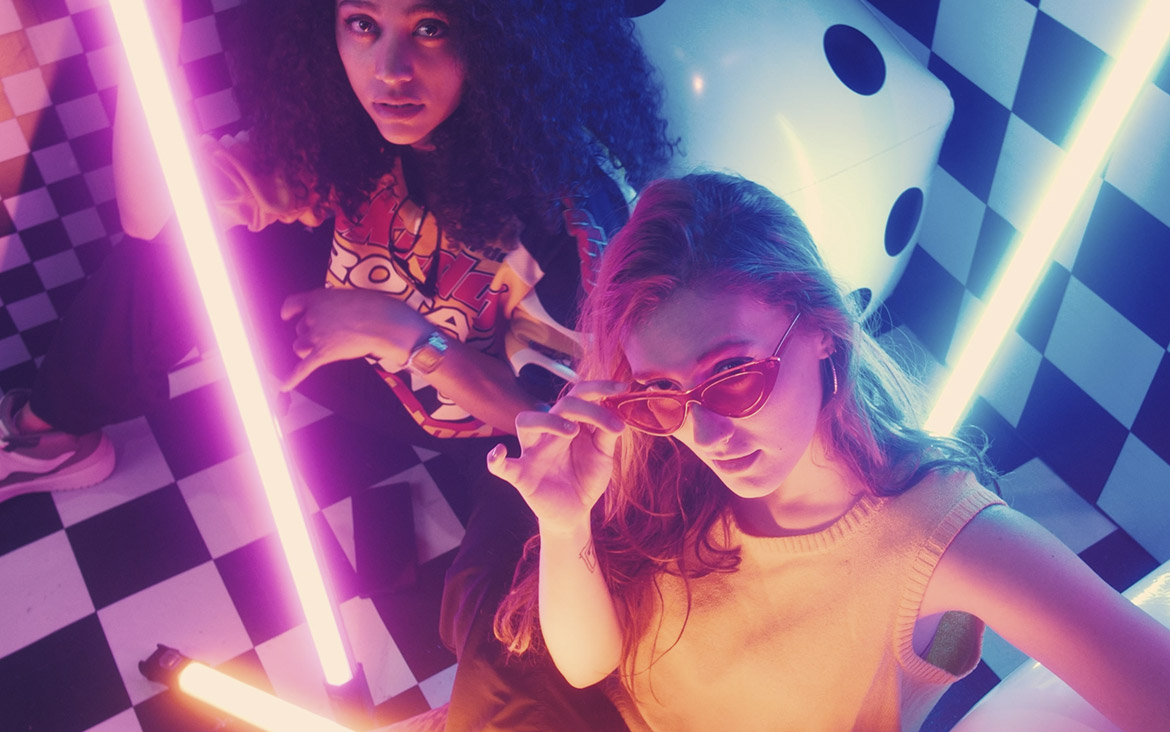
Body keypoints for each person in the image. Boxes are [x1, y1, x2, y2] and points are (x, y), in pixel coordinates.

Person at [0, 0, 670, 728]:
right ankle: (49, 434)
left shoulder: (568, 207)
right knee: (171, 256)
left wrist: (400, 332)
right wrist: (152, 30)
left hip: (478, 424)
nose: (389, 71)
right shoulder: (341, 129)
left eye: (430, 27)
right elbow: (153, 218)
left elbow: (546, 421)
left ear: (501, 36)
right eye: (362, 24)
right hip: (354, 353)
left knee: (514, 608)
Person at [489, 172, 1170, 732]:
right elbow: (589, 667)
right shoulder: (662, 461)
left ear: (822, 328)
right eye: (661, 392)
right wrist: (565, 525)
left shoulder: (947, 540)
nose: (707, 436)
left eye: (735, 375)